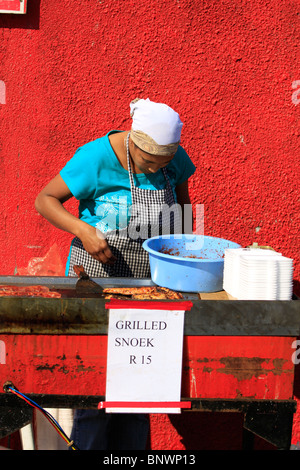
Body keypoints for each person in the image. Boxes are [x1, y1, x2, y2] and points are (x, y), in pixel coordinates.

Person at [35, 98, 196, 450]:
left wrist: (183, 254)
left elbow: (183, 209)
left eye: (164, 162)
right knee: (96, 392)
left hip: (148, 288)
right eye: (149, 162)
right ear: (133, 141)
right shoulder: (95, 158)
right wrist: (82, 230)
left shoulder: (174, 160)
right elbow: (45, 199)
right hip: (96, 283)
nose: (157, 169)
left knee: (139, 394)